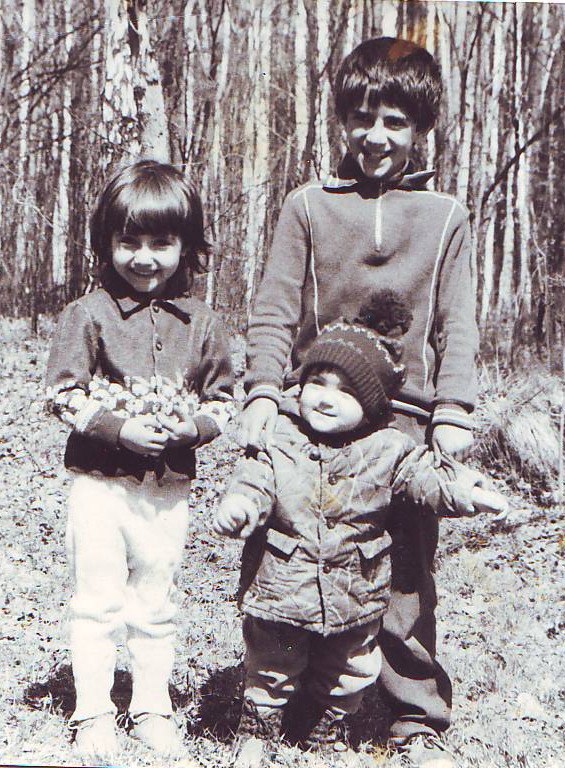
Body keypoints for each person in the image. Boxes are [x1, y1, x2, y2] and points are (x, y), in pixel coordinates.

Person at [240, 36, 479, 768]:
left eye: (395, 122)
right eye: (362, 118)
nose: (376, 136)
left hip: (401, 425)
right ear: (341, 121)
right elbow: (274, 308)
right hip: (311, 415)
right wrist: (263, 391)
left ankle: (413, 717)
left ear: (422, 128)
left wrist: (452, 411)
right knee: (283, 555)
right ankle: (280, 701)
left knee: (403, 570)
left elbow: (457, 325)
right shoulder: (308, 206)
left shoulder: (445, 216)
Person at [215, 294, 504, 767]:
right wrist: (240, 505)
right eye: (317, 381)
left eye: (345, 390)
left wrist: (465, 492)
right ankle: (258, 729)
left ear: (370, 403)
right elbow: (255, 478)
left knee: (350, 667)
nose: (325, 397)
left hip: (355, 586)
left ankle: (326, 730)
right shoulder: (282, 436)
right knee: (272, 662)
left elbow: (424, 480)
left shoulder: (389, 447)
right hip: (283, 585)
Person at [45, 159, 235, 764]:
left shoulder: (202, 323)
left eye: (162, 242)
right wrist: (118, 428)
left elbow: (225, 401)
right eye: (129, 242)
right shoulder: (88, 314)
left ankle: (152, 707)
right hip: (99, 487)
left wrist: (195, 428)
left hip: (166, 492)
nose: (144, 257)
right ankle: (94, 712)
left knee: (155, 602)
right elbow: (62, 393)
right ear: (106, 243)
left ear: (187, 246)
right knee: (97, 601)